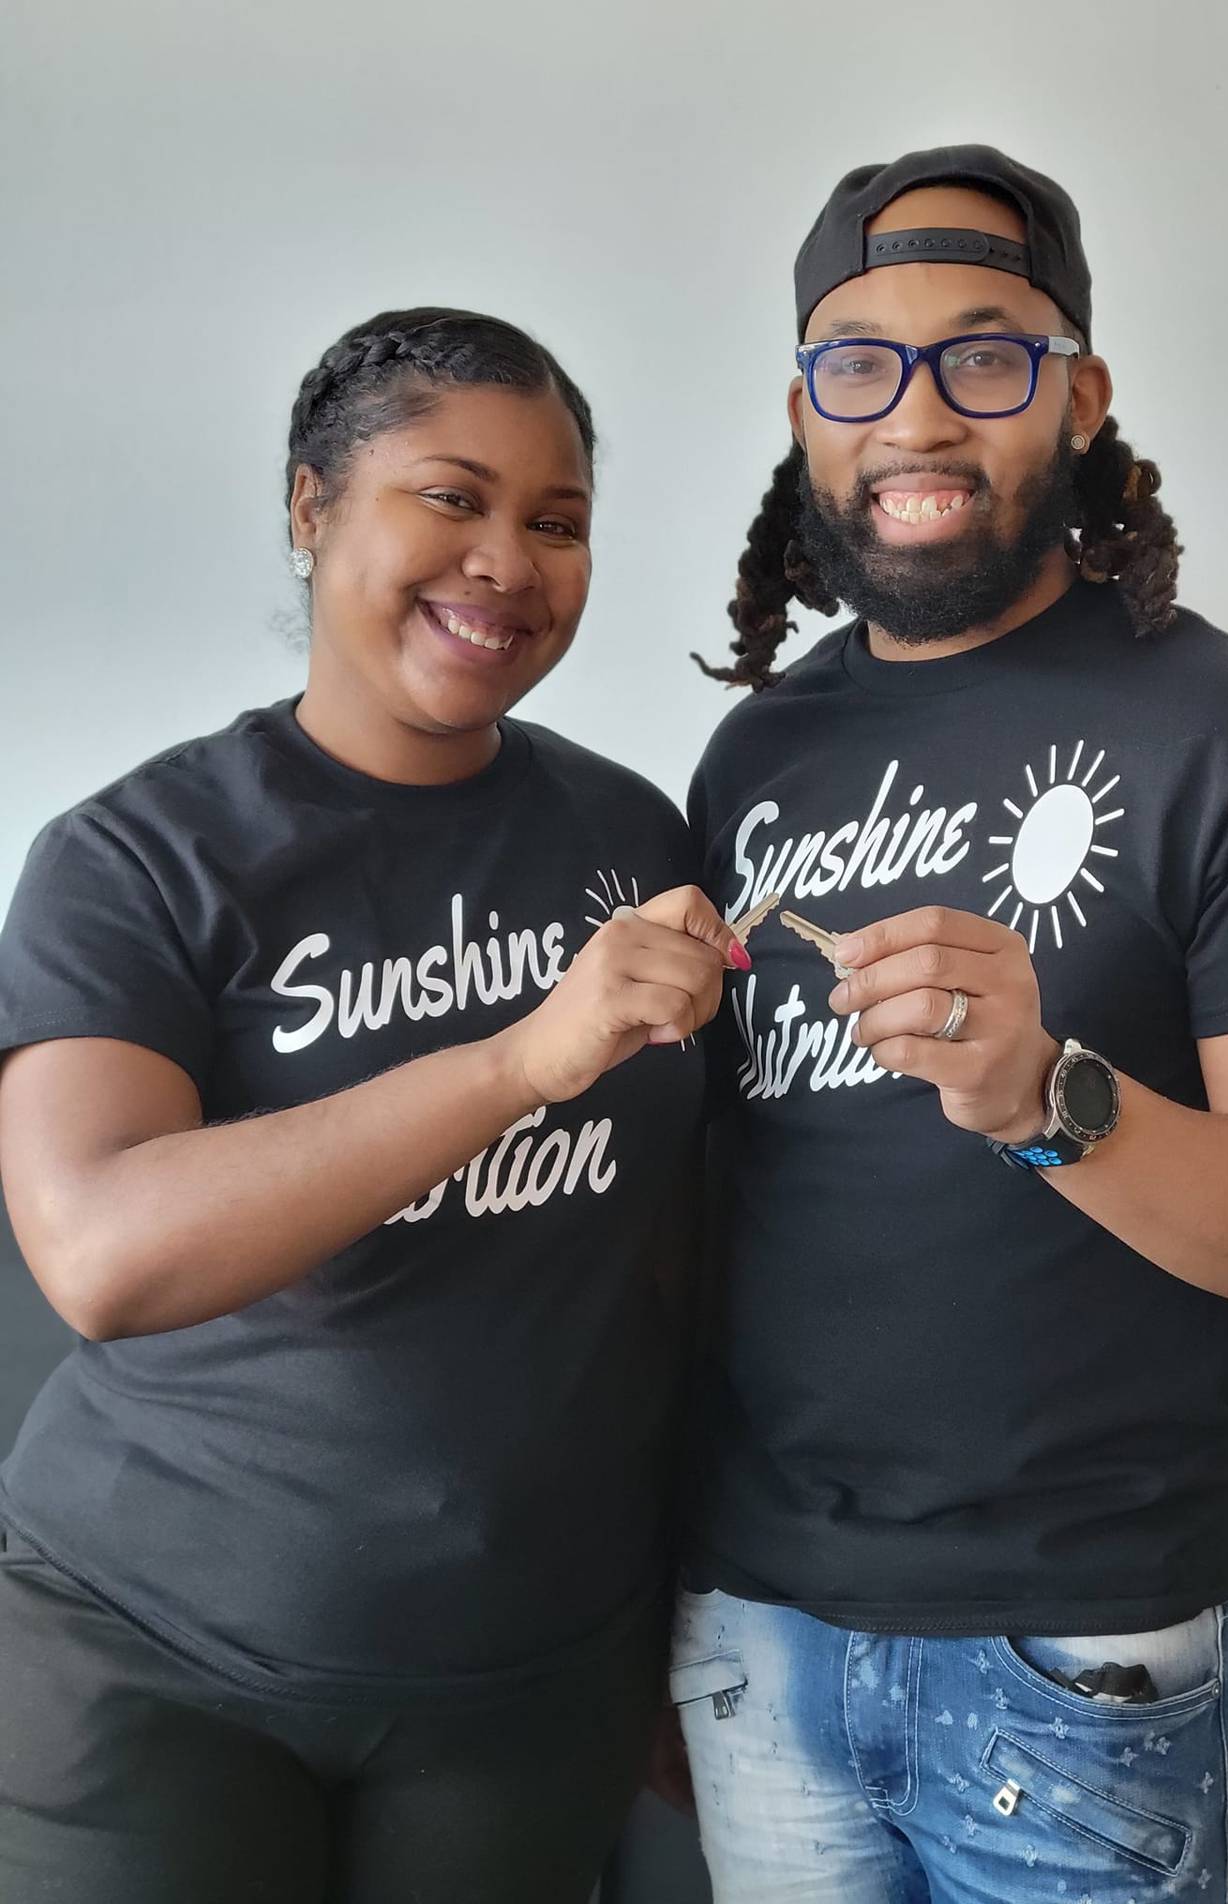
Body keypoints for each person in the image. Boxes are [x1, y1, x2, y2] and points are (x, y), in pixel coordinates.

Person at [673, 146, 1228, 1902]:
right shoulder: (758, 753)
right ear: (805, 410)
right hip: (756, 1627)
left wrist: (1044, 1098)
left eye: (986, 355)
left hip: (1076, 1658)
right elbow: (729, 1203)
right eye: (858, 362)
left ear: (1080, 396)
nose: (916, 415)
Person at [0, 306, 748, 1903]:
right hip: (155, 1663)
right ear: (310, 507)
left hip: (529, 1676)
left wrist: (687, 1607)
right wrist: (513, 1066)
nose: (507, 560)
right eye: (451, 497)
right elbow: (102, 1252)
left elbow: (671, 1257)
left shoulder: (629, 836)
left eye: (557, 522)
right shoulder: (137, 861)